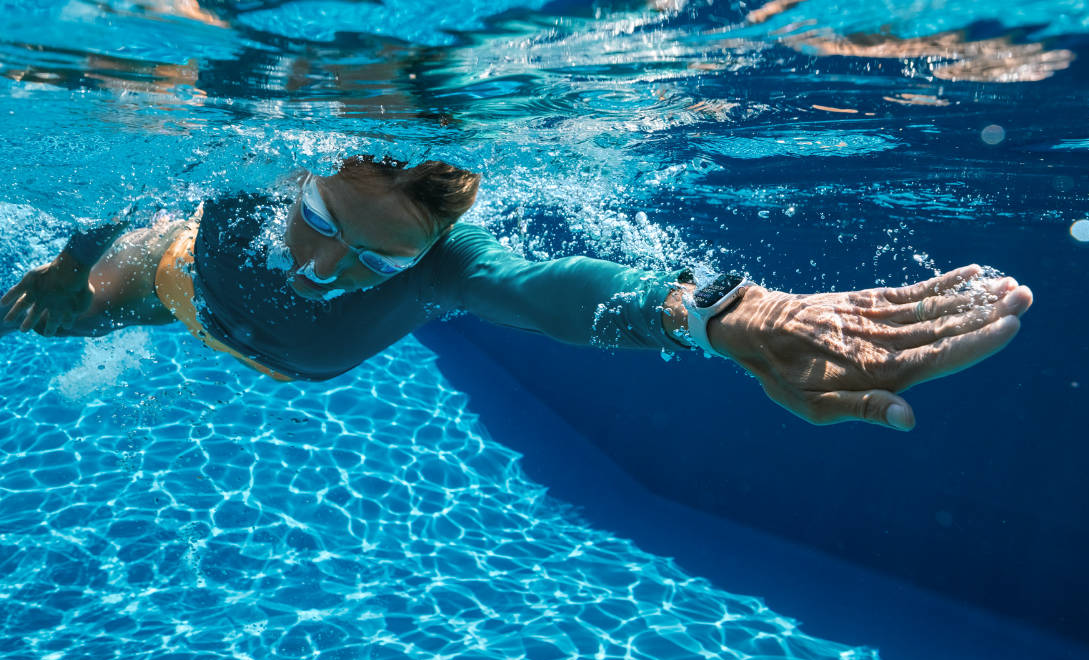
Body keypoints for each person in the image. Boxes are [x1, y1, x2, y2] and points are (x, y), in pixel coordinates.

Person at [0, 155, 1032, 430]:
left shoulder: (454, 261)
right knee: (47, 316)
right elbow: (118, 188)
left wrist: (732, 318)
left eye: (374, 260)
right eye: (312, 222)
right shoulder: (243, 171)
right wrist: (65, 261)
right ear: (292, 175)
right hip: (173, 277)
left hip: (255, 342)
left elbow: (549, 289)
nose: (319, 265)